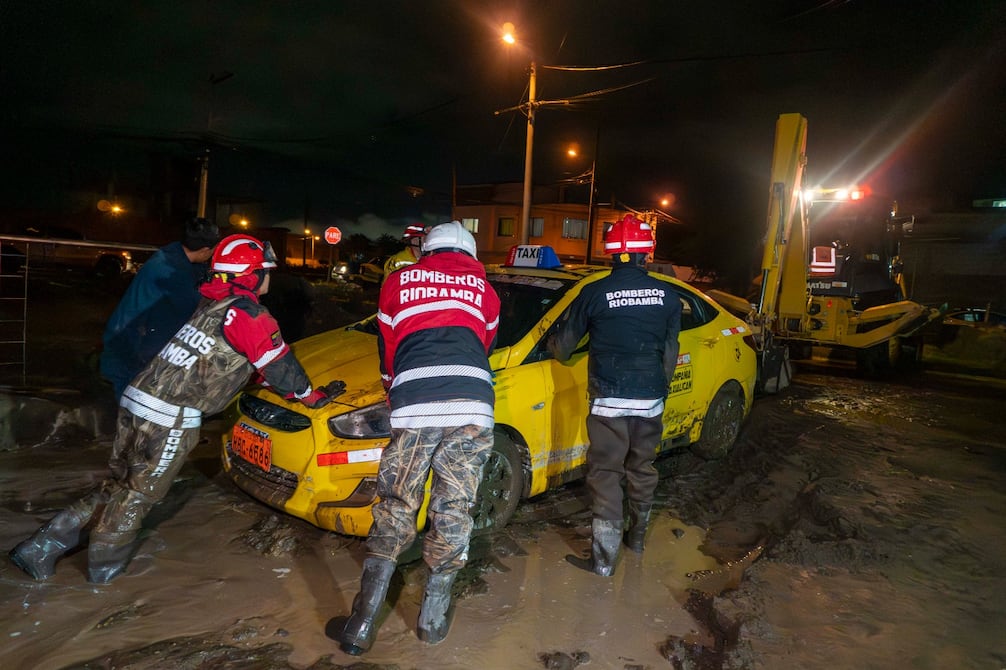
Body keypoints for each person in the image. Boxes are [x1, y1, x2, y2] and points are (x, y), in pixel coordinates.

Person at [9, 234, 345, 584]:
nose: (269, 277)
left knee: (120, 484)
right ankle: (104, 577)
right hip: (169, 417)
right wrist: (313, 397)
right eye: (266, 270)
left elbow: (228, 362)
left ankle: (39, 549)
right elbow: (281, 369)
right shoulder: (251, 315)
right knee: (139, 495)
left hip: (136, 400)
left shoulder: (212, 305)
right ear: (252, 275)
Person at [330, 220, 500, 654]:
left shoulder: (398, 281)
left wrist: (394, 390)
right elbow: (484, 345)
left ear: (426, 251)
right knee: (454, 505)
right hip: (473, 404)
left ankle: (361, 625)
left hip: (414, 401)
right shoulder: (486, 291)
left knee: (397, 503)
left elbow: (388, 347)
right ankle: (432, 622)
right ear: (471, 255)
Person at [547, 213, 681, 576]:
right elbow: (670, 349)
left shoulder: (594, 293)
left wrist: (553, 341)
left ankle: (604, 561)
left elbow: (563, 348)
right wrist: (659, 390)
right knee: (642, 468)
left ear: (611, 253)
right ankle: (635, 540)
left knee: (606, 472)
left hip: (609, 401)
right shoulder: (668, 295)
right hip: (651, 399)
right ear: (646, 253)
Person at [100, 217, 220, 400]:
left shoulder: (172, 254)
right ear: (205, 250)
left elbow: (197, 273)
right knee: (132, 403)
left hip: (128, 336)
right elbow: (198, 310)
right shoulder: (173, 273)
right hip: (130, 346)